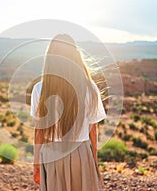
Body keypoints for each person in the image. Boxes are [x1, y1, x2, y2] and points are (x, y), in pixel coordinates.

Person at [30, 34, 107, 191]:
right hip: (81, 153)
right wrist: (94, 161)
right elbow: (93, 129)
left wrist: (36, 163)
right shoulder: (90, 88)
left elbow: (39, 131)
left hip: (51, 154)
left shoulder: (40, 89)